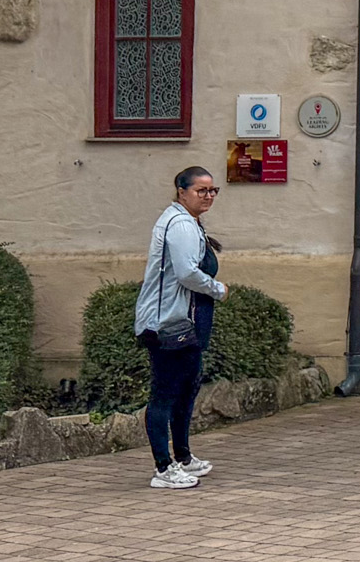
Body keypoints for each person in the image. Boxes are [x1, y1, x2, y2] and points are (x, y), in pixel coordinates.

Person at [134, 166, 227, 489]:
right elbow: (187, 273)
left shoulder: (189, 222)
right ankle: (163, 467)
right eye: (201, 190)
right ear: (182, 192)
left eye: (213, 190)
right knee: (165, 395)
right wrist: (218, 289)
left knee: (187, 390)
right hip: (168, 325)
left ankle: (184, 456)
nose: (208, 196)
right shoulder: (180, 224)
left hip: (186, 322)